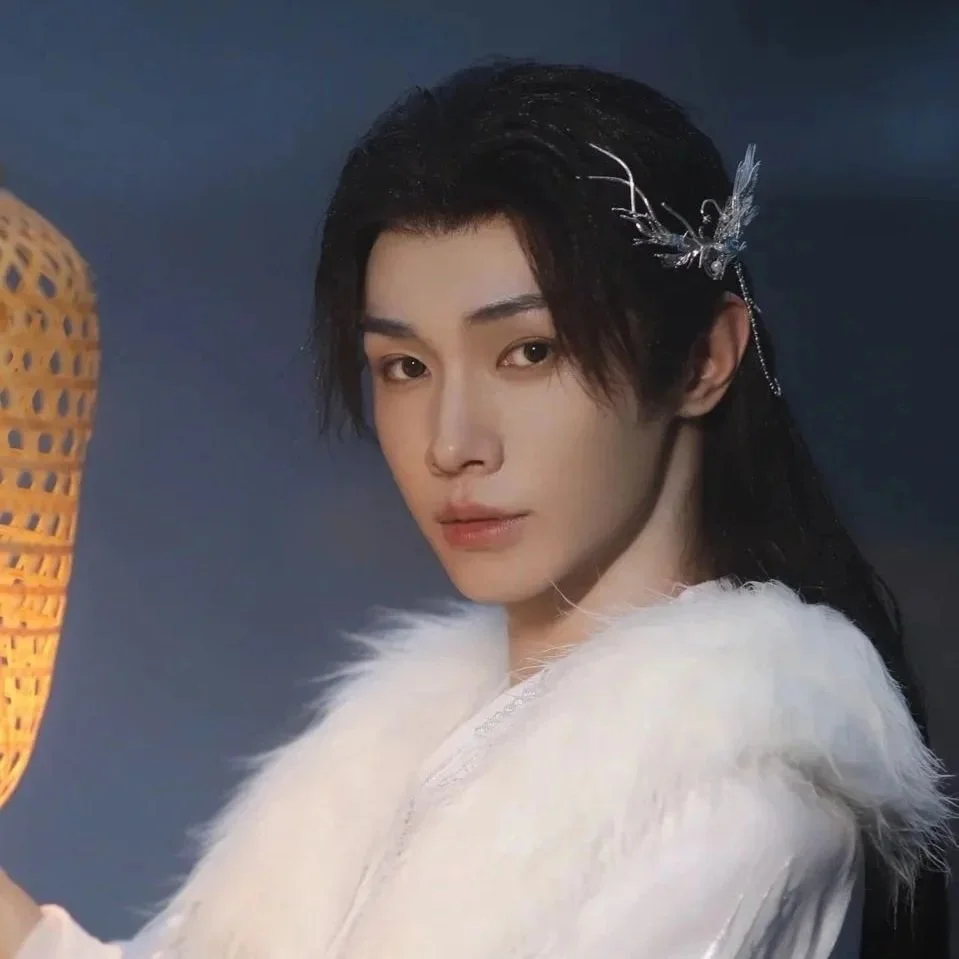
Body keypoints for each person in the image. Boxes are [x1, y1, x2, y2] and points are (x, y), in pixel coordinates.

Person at [1, 59, 953, 959]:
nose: (451, 442)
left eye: (529, 352)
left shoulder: (737, 804)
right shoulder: (403, 750)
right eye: (404, 366)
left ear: (704, 359)